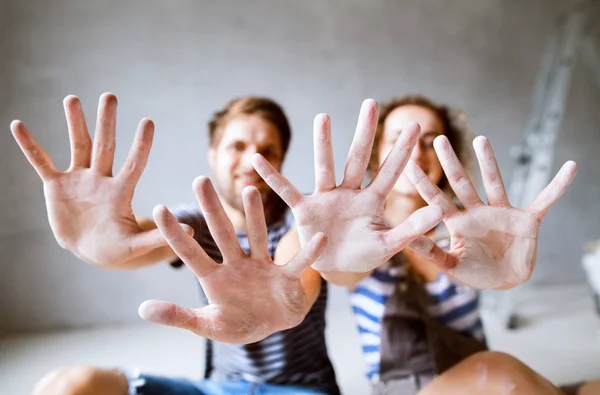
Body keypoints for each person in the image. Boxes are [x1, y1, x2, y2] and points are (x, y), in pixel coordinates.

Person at [14, 93, 343, 395]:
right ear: (212, 154)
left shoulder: (301, 220)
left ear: (281, 161)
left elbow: (301, 272)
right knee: (68, 386)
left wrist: (281, 299)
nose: (251, 161)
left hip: (302, 390)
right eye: (237, 146)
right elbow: (148, 240)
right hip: (219, 388)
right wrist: (108, 244)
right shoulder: (197, 223)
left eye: (267, 151)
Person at [254, 95, 582, 395]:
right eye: (400, 141)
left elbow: (500, 278)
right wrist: (279, 295)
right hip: (411, 389)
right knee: (500, 369)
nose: (416, 153)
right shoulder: (353, 239)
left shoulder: (465, 234)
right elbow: (333, 273)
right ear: (378, 154)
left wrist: (509, 272)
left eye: (429, 142)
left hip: (485, 385)